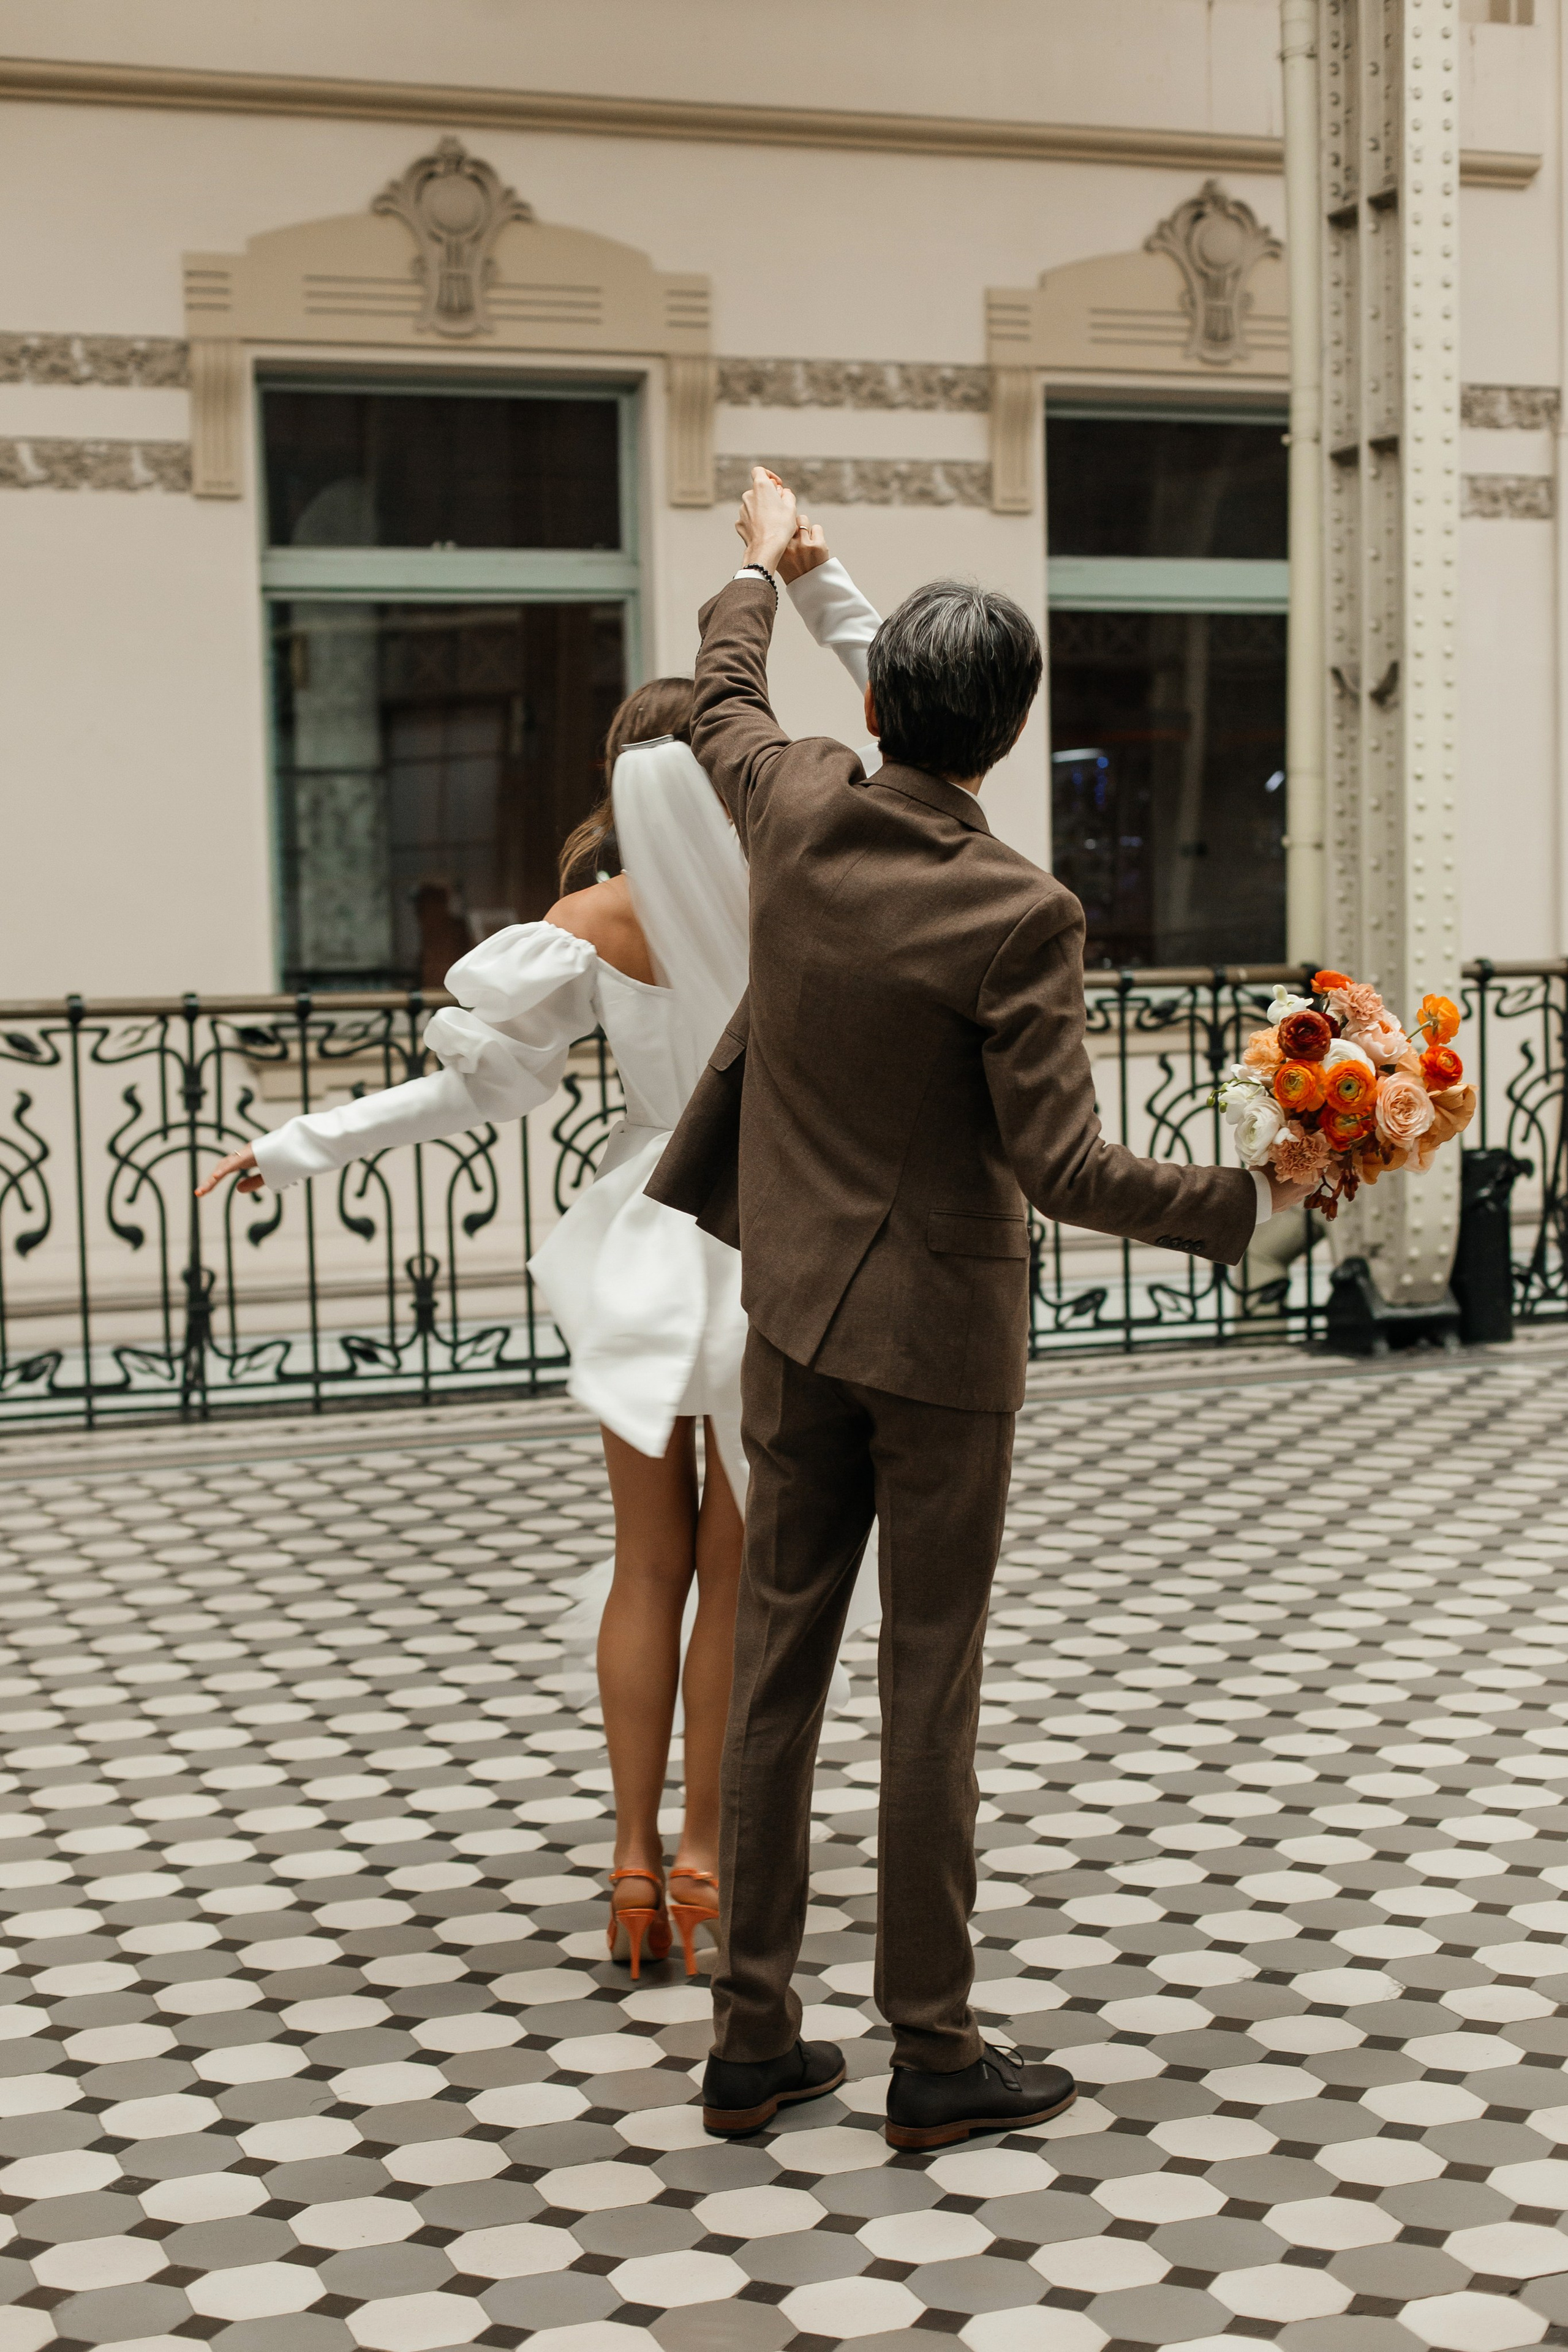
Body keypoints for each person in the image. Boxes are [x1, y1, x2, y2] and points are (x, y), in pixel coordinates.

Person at [647, 469, 1313, 2148]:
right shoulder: (1024, 910)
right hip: (939, 1353)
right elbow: (1068, 1168)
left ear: (872, 707)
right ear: (1008, 740)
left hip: (791, 1317)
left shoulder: (793, 806)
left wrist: (764, 568)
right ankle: (934, 2056)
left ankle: (752, 2037)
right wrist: (1252, 1206)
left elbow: (723, 692)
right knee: (926, 1688)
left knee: (781, 1672)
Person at [195, 544, 884, 1981]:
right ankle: (707, 1857)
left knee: (648, 1565)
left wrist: (301, 1142)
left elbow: (470, 1094)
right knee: (741, 1569)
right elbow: (899, 722)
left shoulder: (591, 923)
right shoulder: (804, 887)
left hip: (648, 1232)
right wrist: (808, 579)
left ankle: (630, 1866)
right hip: (776, 1235)